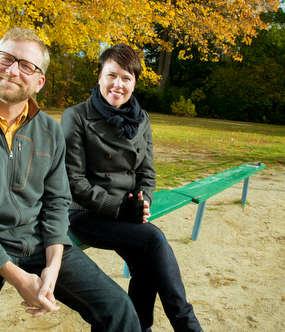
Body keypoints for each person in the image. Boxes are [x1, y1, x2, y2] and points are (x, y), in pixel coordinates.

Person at [0, 28, 140, 332]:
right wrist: (20, 279)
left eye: (26, 65)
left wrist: (52, 266)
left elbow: (56, 203)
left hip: (38, 241)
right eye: (6, 58)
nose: (12, 70)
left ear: (39, 82)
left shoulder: (50, 131)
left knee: (119, 309)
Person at [60, 43, 204, 332]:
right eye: (111, 75)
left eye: (126, 78)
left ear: (134, 83)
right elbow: (73, 182)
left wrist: (143, 202)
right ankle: (186, 324)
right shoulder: (76, 116)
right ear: (99, 77)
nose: (118, 84)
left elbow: (147, 172)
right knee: (153, 240)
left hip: (128, 211)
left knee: (146, 262)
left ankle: (140, 328)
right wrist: (120, 208)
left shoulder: (142, 119)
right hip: (83, 213)